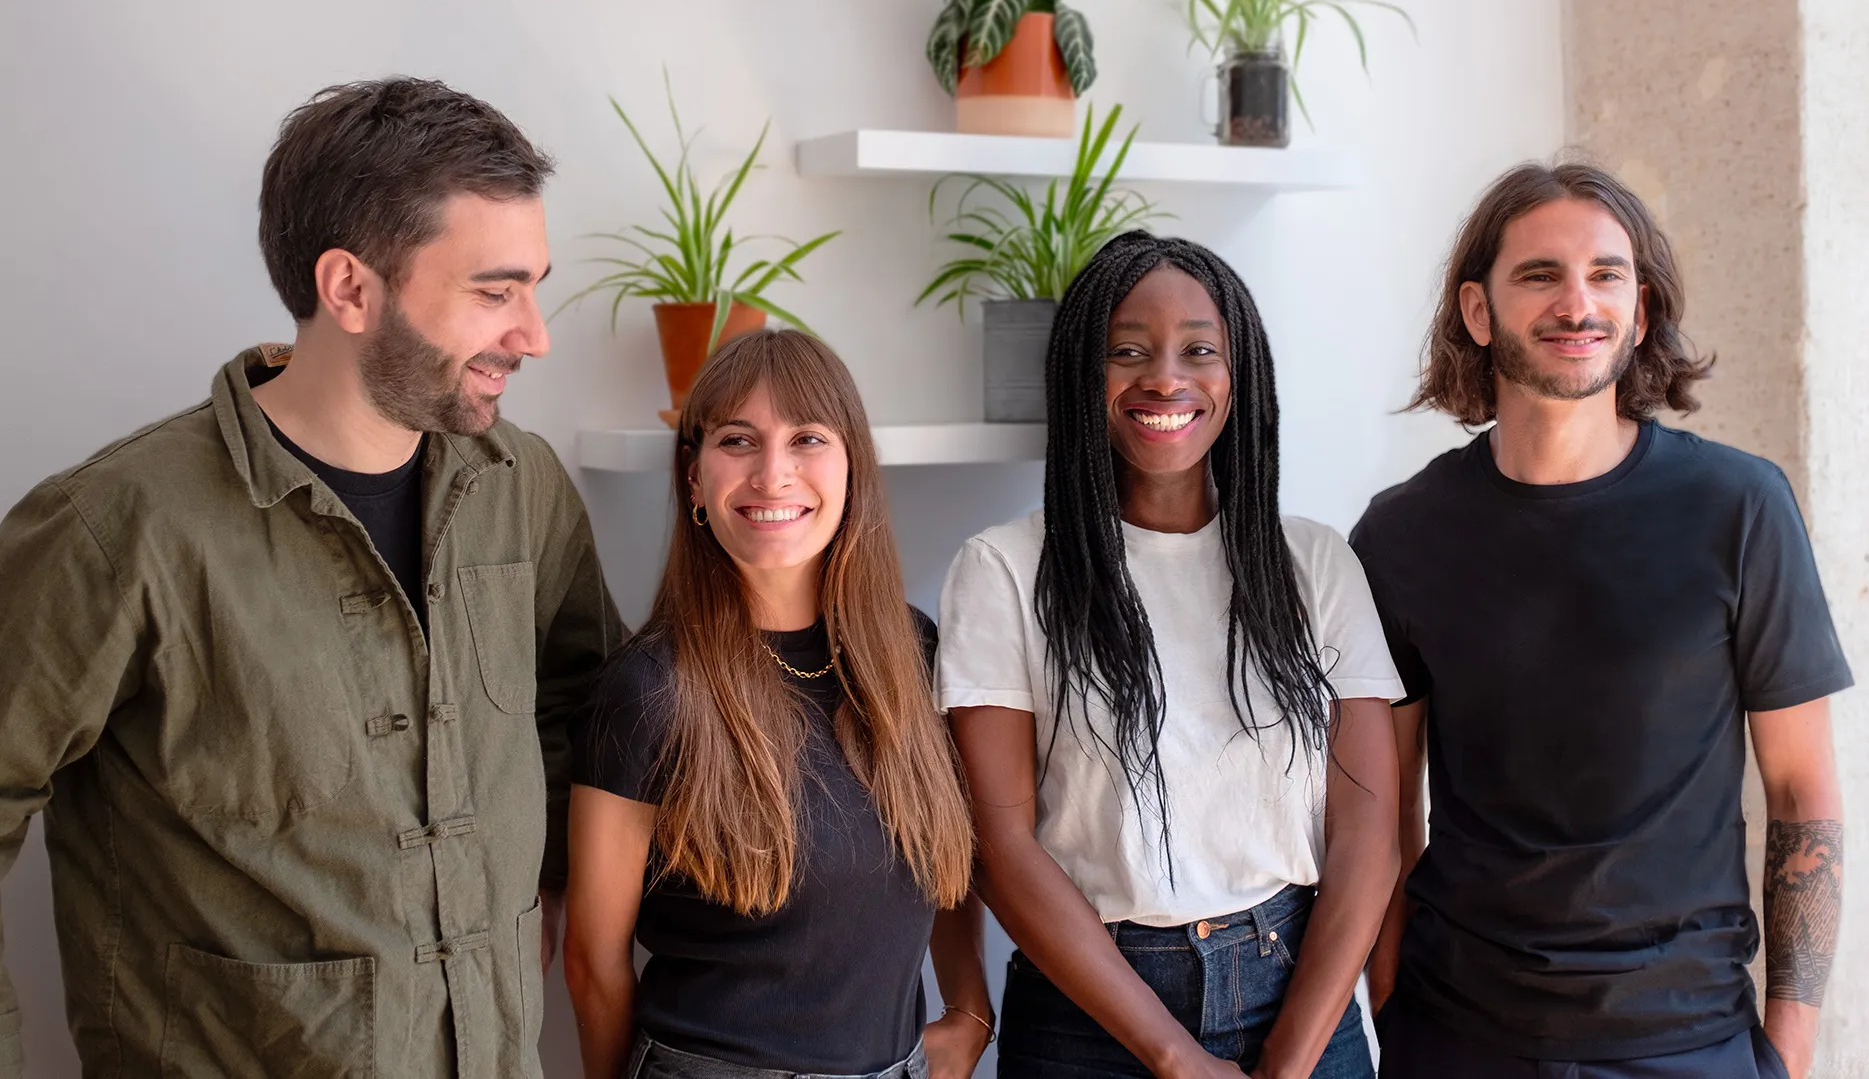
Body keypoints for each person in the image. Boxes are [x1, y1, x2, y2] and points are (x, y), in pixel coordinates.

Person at [0, 76, 625, 1077]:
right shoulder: (119, 525)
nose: (535, 333)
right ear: (349, 289)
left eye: (534, 285)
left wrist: (538, 881)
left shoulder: (525, 485)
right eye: (494, 289)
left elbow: (584, 699)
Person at [1353, 162, 1849, 1079]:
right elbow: (1383, 816)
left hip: (1689, 1041)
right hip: (1460, 1037)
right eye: (1540, 274)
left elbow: (1802, 796)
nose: (1578, 303)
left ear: (1642, 308)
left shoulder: (1740, 507)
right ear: (1476, 311)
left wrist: (1789, 1047)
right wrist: (1389, 1011)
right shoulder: (1402, 532)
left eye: (1607, 274)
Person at [938, 232, 1403, 1079]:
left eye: (1199, 349)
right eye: (1127, 350)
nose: (1165, 377)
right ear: (1084, 375)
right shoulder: (1002, 570)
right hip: (1093, 1012)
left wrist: (1293, 1058)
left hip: (1300, 992)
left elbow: (1368, 830)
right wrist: (1173, 1057)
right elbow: (999, 845)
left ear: (1240, 376)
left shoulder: (1317, 563)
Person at [564, 328, 994, 1079]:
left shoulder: (911, 650)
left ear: (853, 468)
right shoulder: (645, 690)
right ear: (694, 479)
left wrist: (970, 1013)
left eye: (807, 438)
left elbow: (946, 858)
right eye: (738, 440)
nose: (773, 473)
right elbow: (593, 962)